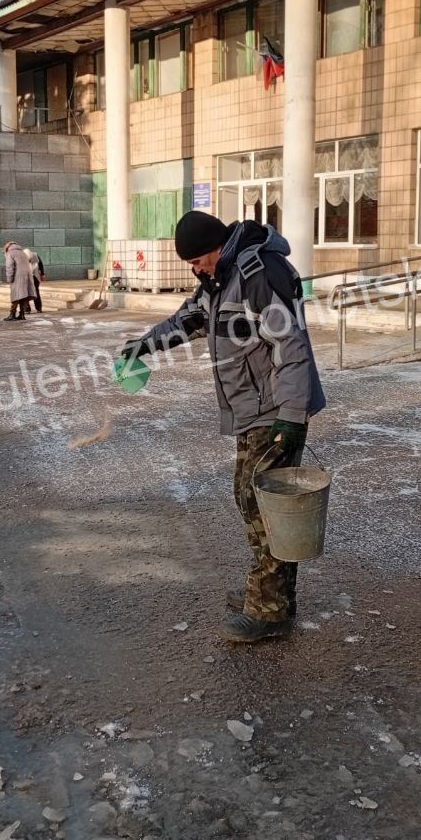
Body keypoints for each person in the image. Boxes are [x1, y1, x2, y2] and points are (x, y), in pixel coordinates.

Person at [119, 211, 325, 644]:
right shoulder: (221, 278)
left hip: (275, 411)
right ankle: (273, 594)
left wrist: (291, 416)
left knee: (258, 502)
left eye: (198, 260)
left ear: (217, 246)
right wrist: (145, 345)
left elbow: (290, 345)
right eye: (190, 264)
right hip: (253, 408)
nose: (195, 270)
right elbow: (189, 319)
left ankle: (268, 607)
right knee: (255, 499)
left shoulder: (258, 274)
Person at [2, 239, 34, 321]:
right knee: (23, 296)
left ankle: (12, 314)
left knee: (15, 296)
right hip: (27, 277)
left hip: (17, 277)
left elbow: (9, 267)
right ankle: (22, 314)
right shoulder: (22, 253)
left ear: (7, 247)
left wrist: (9, 279)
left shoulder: (10, 253)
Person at [24, 246, 45, 313]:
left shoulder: (29, 256)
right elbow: (41, 265)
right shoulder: (35, 255)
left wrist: (42, 274)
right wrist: (42, 274)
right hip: (33, 277)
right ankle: (38, 308)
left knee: (26, 293)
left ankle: (28, 309)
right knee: (34, 293)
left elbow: (40, 265)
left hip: (32, 277)